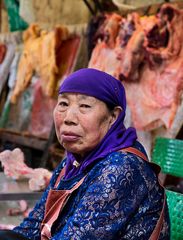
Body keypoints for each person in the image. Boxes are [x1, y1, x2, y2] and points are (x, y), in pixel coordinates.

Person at [1, 68, 170, 239]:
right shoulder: (74, 161)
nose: (69, 117)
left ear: (113, 116)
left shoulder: (122, 167)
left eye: (84, 106)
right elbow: (34, 226)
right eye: (63, 104)